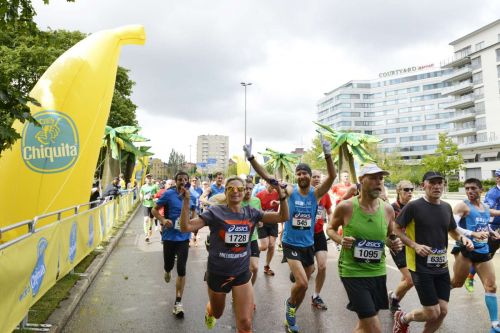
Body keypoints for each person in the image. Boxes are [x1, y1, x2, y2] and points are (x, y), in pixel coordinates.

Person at [244, 136, 336, 333]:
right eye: (299, 173)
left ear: (310, 177)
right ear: (296, 176)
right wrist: (251, 158)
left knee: (302, 287)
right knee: (302, 282)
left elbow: (332, 176)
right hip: (291, 243)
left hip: (308, 244)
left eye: (305, 173)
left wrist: (328, 155)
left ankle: (292, 310)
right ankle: (289, 306)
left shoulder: (316, 194)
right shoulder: (290, 190)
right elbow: (269, 177)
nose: (302, 176)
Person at [179, 176, 289, 332]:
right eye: (231, 188)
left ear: (244, 192)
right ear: (225, 192)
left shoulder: (252, 212)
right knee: (217, 313)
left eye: (239, 189)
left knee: (245, 322)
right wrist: (186, 201)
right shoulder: (215, 212)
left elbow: (282, 217)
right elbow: (186, 227)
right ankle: (210, 309)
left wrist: (282, 195)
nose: (235, 191)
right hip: (218, 273)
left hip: (241, 273)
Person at [393, 171, 473, 333]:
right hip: (420, 267)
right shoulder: (413, 206)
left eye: (440, 183)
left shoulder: (445, 207)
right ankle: (403, 318)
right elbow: (396, 228)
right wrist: (414, 245)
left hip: (441, 266)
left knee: (442, 311)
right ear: (424, 185)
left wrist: (462, 238)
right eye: (432, 183)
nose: (437, 186)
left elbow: (452, 230)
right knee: (432, 311)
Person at [327, 164, 402, 333]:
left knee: (364, 326)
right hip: (353, 272)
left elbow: (389, 237)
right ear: (361, 180)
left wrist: (393, 243)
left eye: (380, 178)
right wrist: (340, 240)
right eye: (373, 178)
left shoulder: (388, 210)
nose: (378, 182)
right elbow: (330, 228)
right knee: (374, 327)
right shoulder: (346, 206)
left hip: (377, 272)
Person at [450, 178, 500, 332]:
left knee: (491, 286)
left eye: (473, 188)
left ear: (481, 189)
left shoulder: (485, 207)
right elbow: (451, 225)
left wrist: (492, 233)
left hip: (482, 251)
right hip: (466, 251)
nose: (470, 191)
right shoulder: (463, 206)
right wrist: (472, 234)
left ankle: (495, 325)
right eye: (467, 188)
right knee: (457, 283)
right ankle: (436, 296)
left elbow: (485, 223)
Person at [152, 171, 197, 319]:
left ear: (188, 181)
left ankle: (178, 302)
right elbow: (154, 210)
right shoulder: (168, 194)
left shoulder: (192, 197)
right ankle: (166, 270)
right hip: (169, 236)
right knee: (169, 265)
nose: (182, 181)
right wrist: (163, 220)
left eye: (185, 179)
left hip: (183, 237)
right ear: (176, 181)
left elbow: (194, 214)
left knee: (182, 269)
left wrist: (192, 223)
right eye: (180, 179)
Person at [466, 169, 500, 292]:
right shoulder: (492, 193)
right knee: (485, 256)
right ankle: (469, 277)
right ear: (497, 178)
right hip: (493, 228)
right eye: (499, 176)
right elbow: (485, 210)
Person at [388, 180, 415, 313]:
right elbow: (388, 228)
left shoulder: (413, 207)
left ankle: (394, 299)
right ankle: (394, 299)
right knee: (410, 280)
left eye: (411, 189)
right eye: (406, 189)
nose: (409, 192)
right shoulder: (391, 208)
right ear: (398, 191)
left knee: (405, 279)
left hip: (410, 246)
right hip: (397, 245)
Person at [310, 170, 333, 310]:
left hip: (318, 234)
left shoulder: (325, 195)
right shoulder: (304, 193)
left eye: (319, 177)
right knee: (309, 269)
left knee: (323, 266)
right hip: (303, 236)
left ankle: (316, 295)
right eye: (315, 177)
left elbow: (330, 211)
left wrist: (331, 224)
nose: (317, 179)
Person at [241, 179, 262, 287]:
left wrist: (260, 223)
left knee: (255, 268)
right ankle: (240, 293)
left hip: (252, 238)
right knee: (240, 270)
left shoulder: (256, 201)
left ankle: (249, 291)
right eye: (245, 189)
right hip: (240, 239)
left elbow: (260, 215)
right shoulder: (237, 201)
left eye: (250, 188)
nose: (248, 191)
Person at [256, 181, 280, 276]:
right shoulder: (259, 195)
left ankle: (267, 266)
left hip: (273, 221)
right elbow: (255, 206)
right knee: (264, 246)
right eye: (269, 184)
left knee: (272, 245)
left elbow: (285, 200)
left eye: (273, 184)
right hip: (263, 222)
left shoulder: (277, 194)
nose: (271, 186)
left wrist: (277, 202)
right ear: (266, 184)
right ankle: (252, 251)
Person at [140, 174, 158, 242]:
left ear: (151, 179)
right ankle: (146, 235)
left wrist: (154, 197)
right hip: (145, 205)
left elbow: (158, 194)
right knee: (146, 219)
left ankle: (150, 228)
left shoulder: (155, 186)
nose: (149, 179)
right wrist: (141, 197)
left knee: (151, 219)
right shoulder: (143, 187)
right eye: (148, 178)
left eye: (150, 178)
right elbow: (141, 193)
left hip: (153, 205)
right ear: (145, 179)